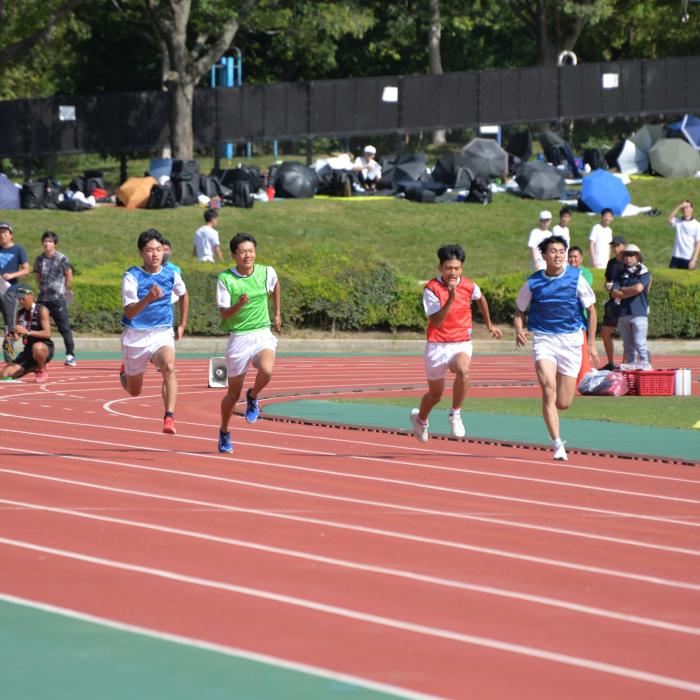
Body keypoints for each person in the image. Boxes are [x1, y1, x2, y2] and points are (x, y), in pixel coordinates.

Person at [514, 235, 599, 461]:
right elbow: (519, 310)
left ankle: (557, 408)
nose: (558, 255)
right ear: (544, 255)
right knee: (548, 388)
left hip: (571, 341)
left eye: (562, 251)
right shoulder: (533, 282)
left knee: (563, 402)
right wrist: (519, 329)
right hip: (544, 340)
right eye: (553, 251)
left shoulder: (576, 278)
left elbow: (592, 310)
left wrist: (591, 343)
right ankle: (558, 444)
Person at [410, 244, 503, 443]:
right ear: (440, 268)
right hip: (437, 345)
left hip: (461, 342)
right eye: (448, 268)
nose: (453, 272)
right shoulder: (431, 289)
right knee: (435, 396)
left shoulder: (469, 285)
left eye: (457, 268)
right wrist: (451, 299)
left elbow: (480, 298)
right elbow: (436, 321)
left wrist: (489, 324)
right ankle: (420, 419)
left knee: (463, 370)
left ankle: (455, 413)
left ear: (462, 268)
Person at [216, 232, 281, 454]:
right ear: (234, 255)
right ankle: (224, 431)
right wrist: (240, 304)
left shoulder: (266, 272)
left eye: (251, 251)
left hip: (262, 332)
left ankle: (253, 396)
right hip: (239, 337)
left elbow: (276, 286)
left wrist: (277, 313)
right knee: (233, 394)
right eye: (243, 252)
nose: (248, 255)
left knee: (267, 370)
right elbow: (224, 314)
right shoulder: (226, 279)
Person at [119, 229, 189, 434]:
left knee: (169, 367)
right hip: (136, 336)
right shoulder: (132, 276)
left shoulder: (171, 274)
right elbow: (129, 312)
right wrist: (148, 298)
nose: (155, 254)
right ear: (141, 253)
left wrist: (182, 324)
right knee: (134, 391)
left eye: (159, 249)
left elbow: (184, 295)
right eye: (150, 250)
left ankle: (169, 417)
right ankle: (124, 374)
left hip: (162, 332)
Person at [33, 230, 77, 367]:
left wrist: (65, 290)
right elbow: (37, 276)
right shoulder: (39, 259)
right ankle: (40, 356)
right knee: (38, 327)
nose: (47, 244)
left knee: (64, 327)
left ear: (55, 244)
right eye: (45, 241)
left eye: (50, 241)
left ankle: (70, 355)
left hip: (57, 298)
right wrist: (40, 288)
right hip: (43, 299)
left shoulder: (62, 258)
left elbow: (69, 274)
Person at [0, 285, 53, 383]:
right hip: (28, 350)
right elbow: (17, 337)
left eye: (23, 298)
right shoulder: (20, 313)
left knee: (38, 347)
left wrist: (27, 332)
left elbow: (47, 333)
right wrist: (11, 336)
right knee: (4, 375)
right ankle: (33, 368)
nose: (21, 301)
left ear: (30, 295)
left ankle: (42, 369)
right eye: (19, 298)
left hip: (43, 347)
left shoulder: (42, 310)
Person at [611, 244, 652, 370]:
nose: (628, 258)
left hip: (639, 312)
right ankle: (631, 366)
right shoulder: (620, 274)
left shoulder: (644, 272)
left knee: (640, 342)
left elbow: (639, 288)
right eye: (626, 255)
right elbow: (614, 292)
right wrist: (629, 291)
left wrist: (623, 289)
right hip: (623, 313)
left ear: (637, 257)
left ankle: (645, 364)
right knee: (628, 345)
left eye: (632, 255)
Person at [0, 222, 30, 362]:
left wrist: (12, 275)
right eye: (0, 232)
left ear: (11, 235)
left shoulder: (18, 249)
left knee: (10, 327)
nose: (2, 235)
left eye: (5, 232)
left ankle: (10, 359)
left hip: (10, 292)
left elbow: (26, 269)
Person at [600, 235, 626, 370]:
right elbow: (608, 281)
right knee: (605, 332)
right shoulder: (611, 263)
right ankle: (611, 363)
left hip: (626, 302)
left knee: (627, 335)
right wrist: (607, 286)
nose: (615, 248)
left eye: (617, 245)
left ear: (624, 245)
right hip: (613, 302)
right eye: (613, 246)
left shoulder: (629, 262)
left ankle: (625, 365)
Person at [667, 199, 700, 270]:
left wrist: (693, 260)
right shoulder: (678, 221)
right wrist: (679, 206)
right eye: (683, 208)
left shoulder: (697, 225)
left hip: (688, 258)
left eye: (687, 207)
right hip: (676, 256)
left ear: (691, 209)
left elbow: (698, 243)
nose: (685, 210)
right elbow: (669, 220)